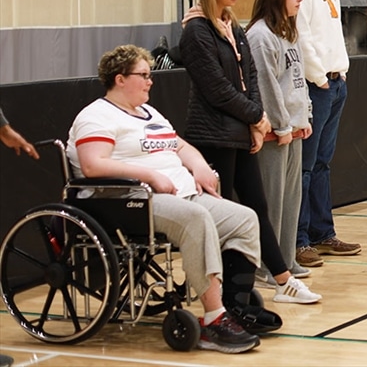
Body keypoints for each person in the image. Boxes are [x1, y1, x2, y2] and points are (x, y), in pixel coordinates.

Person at [68, 45, 265, 354]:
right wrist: (148, 176)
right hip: (131, 201)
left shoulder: (149, 113)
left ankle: (234, 307)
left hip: (181, 195)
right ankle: (213, 321)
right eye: (143, 75)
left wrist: (199, 165)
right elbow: (93, 165)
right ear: (120, 79)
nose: (150, 81)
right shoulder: (96, 116)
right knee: (195, 219)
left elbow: (179, 146)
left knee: (243, 218)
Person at [180, 0, 320, 305]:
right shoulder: (196, 32)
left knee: (257, 208)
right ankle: (217, 287)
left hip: (240, 133)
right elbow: (217, 89)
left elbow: (250, 78)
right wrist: (257, 117)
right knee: (222, 214)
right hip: (212, 137)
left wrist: (256, 122)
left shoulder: (231, 25)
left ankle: (282, 279)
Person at [288, 0, 361, 267]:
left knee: (322, 164)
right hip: (316, 85)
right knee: (304, 166)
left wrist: (339, 72)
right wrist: (317, 76)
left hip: (336, 80)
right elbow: (302, 35)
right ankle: (299, 239)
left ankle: (322, 232)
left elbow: (331, 32)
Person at [245, 0, 316, 294]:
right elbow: (267, 87)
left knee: (291, 199)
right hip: (276, 132)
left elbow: (298, 81)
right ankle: (265, 266)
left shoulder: (289, 31)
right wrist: (282, 125)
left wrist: (306, 115)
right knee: (272, 202)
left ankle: (287, 259)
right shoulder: (260, 36)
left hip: (294, 128)